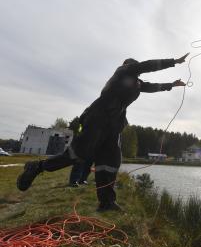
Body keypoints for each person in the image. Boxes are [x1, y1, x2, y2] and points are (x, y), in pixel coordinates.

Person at [17, 53, 189, 211]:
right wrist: (174, 62)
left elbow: (151, 87)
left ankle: (106, 202)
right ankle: (37, 167)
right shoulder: (122, 71)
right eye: (134, 67)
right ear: (128, 66)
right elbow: (148, 65)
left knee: (111, 160)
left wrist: (171, 85)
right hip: (98, 118)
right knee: (77, 155)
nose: (136, 69)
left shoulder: (137, 83)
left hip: (114, 125)